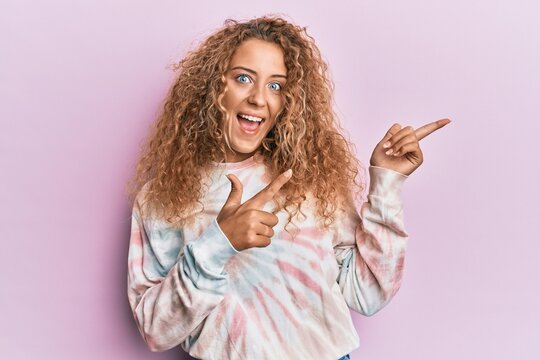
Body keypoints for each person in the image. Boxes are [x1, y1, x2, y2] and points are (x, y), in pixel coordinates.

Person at [126, 15, 450, 360]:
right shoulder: (163, 196)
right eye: (243, 78)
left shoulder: (311, 178)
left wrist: (386, 183)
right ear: (213, 87)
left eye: (276, 86)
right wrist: (218, 243)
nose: (258, 98)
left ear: (288, 103)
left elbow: (367, 294)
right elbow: (155, 330)